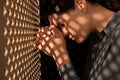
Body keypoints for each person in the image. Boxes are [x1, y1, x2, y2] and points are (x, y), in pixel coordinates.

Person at [34, 0, 120, 80]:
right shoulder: (96, 40)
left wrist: (60, 54)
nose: (64, 34)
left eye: (63, 24)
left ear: (81, 5)